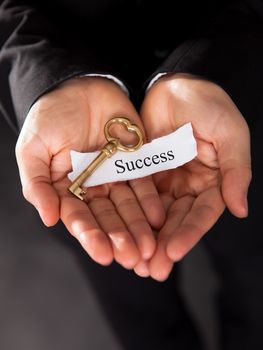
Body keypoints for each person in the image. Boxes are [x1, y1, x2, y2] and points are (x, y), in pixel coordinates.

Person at [0, 0, 262, 349]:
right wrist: (48, 78)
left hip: (230, 122)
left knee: (254, 284)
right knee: (138, 307)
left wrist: (207, 68)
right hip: (76, 151)